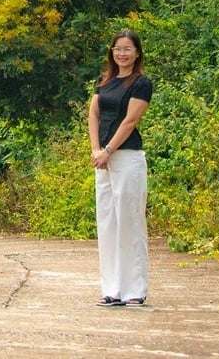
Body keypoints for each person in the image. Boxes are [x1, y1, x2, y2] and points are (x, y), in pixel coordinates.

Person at [88, 28, 152, 306]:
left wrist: (109, 150)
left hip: (127, 157)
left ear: (137, 52)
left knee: (130, 222)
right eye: (117, 49)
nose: (122, 53)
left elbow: (130, 121)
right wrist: (96, 150)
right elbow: (94, 113)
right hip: (103, 160)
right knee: (108, 224)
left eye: (127, 49)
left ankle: (134, 290)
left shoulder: (141, 83)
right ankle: (112, 290)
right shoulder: (104, 81)